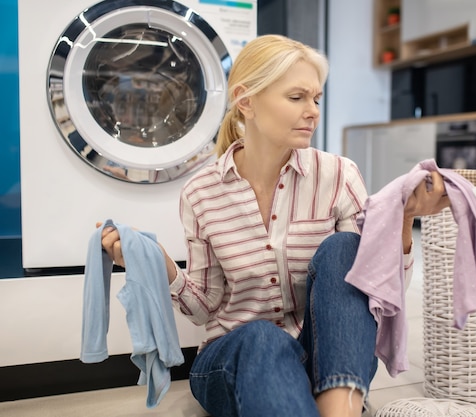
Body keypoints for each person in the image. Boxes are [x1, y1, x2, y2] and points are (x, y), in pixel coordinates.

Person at [99, 34, 450, 417]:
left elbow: (377, 292)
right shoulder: (202, 193)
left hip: (328, 361)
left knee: (345, 248)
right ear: (246, 101)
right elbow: (204, 308)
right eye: (297, 98)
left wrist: (403, 219)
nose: (313, 111)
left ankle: (337, 408)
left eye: (316, 99)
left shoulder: (338, 175)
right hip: (235, 358)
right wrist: (156, 263)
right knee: (262, 338)